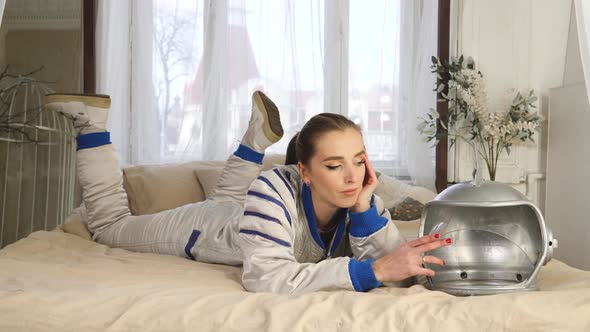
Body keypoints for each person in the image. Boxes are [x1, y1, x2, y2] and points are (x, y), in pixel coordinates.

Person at [45, 91, 451, 295]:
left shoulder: (362, 195)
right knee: (109, 227)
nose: (351, 175)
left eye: (358, 160)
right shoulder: (272, 187)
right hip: (206, 230)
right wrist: (375, 271)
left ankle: (256, 136)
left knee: (229, 195)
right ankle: (90, 122)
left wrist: (364, 211)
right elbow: (266, 278)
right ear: (303, 172)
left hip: (242, 213)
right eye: (333, 165)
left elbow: (393, 270)